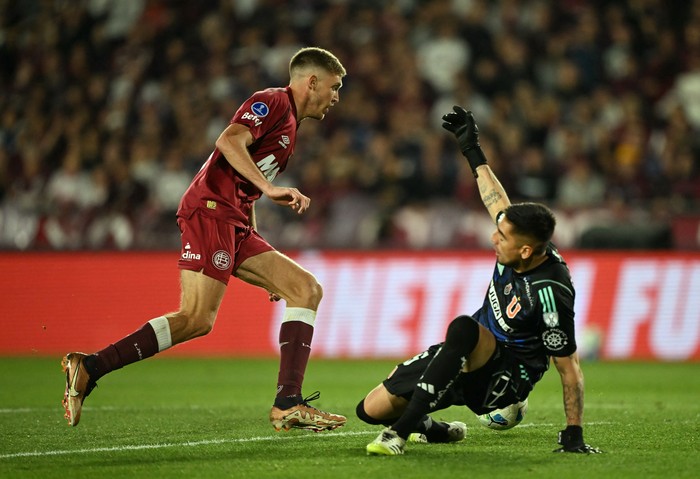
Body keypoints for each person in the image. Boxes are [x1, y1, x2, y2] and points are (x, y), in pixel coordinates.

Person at [62, 47, 348, 432]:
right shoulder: (274, 101)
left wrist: (259, 246)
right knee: (197, 319)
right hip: (210, 209)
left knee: (304, 289)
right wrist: (270, 187)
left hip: (234, 220)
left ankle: (288, 404)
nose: (336, 96)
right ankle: (90, 366)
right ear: (312, 81)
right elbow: (228, 142)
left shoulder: (291, 125)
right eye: (334, 86)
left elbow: (244, 185)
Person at [359, 106, 601, 455]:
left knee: (463, 328)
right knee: (369, 409)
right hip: (467, 354)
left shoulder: (550, 292)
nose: (493, 239)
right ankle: (435, 429)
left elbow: (569, 366)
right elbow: (497, 199)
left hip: (505, 377)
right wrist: (471, 149)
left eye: (502, 237)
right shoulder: (518, 242)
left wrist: (574, 434)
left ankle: (397, 434)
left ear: (526, 251)